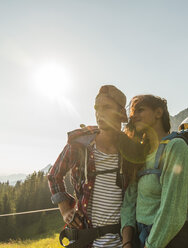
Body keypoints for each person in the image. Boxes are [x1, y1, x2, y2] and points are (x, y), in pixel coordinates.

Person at [48, 85, 144, 248]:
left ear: (121, 113)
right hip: (85, 240)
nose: (99, 113)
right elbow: (54, 175)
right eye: (96, 108)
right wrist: (65, 210)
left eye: (106, 107)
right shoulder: (80, 145)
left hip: (122, 241)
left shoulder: (131, 151)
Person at [121, 95, 188, 248]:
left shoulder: (176, 147)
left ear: (158, 113)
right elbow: (129, 200)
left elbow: (173, 211)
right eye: (133, 114)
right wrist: (127, 242)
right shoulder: (141, 154)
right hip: (141, 237)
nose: (134, 117)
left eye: (140, 110)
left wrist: (150, 245)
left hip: (169, 239)